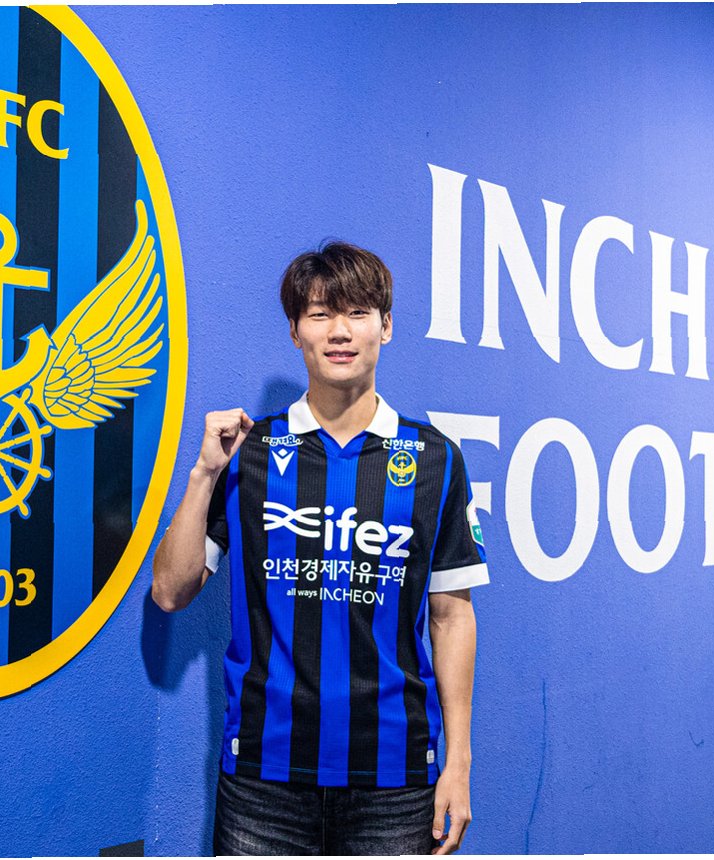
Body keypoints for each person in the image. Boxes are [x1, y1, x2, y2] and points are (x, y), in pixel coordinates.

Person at [152, 242, 488, 856]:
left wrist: (458, 765)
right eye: (319, 314)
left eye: (358, 313)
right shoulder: (248, 453)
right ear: (294, 331)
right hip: (263, 779)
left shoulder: (437, 459)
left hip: (396, 780)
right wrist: (203, 474)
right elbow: (171, 592)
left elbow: (451, 616)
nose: (339, 331)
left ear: (386, 326)